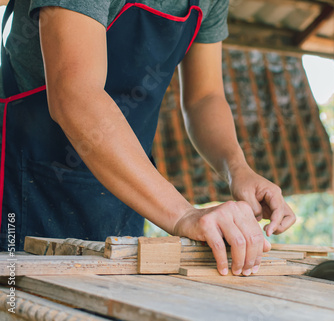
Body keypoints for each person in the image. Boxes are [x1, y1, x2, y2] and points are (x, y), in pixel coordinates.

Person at [0, 0, 296, 276]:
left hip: (128, 190)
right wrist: (182, 215)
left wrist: (238, 170)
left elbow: (204, 97)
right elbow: (75, 95)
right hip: (25, 181)